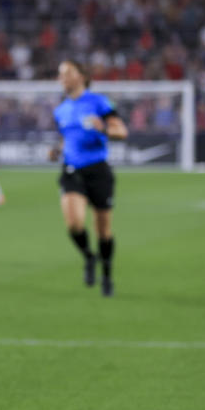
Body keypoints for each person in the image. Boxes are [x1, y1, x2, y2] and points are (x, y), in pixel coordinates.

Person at [49, 59, 128, 297]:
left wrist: (103, 128)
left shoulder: (99, 102)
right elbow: (65, 138)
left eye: (67, 73)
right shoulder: (60, 109)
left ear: (82, 76)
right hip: (72, 169)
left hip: (98, 170)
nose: (62, 78)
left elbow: (121, 131)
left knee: (103, 231)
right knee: (74, 224)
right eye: (60, 74)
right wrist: (57, 150)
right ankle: (88, 256)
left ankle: (106, 274)